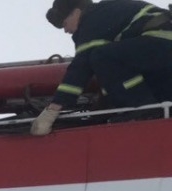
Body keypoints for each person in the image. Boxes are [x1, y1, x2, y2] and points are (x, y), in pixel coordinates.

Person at [33, 0, 172, 136]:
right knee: (115, 64)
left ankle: (143, 108)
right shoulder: (107, 12)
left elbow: (80, 69)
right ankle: (157, 108)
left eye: (64, 24)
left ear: (76, 12)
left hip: (162, 43)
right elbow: (116, 75)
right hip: (162, 55)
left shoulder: (91, 21)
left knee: (100, 56)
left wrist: (53, 110)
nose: (66, 30)